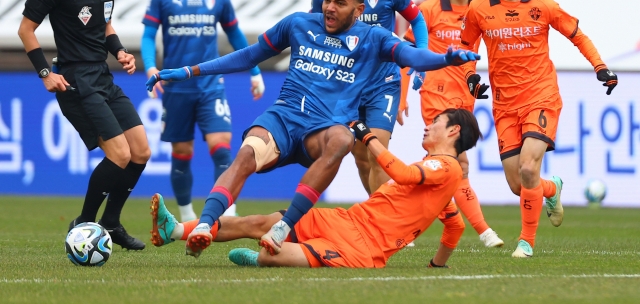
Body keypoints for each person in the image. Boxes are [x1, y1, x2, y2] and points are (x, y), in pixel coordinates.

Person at [145, 0, 480, 258]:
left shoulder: (374, 38)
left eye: (339, 3)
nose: (330, 8)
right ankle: (204, 223)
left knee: (343, 139)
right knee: (246, 153)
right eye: (327, 1)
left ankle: (284, 226)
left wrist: (443, 59)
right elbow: (249, 55)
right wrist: (189, 71)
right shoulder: (298, 24)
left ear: (359, 10)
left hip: (321, 129)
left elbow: (412, 56)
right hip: (284, 117)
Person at [150, 108, 481, 268]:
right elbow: (454, 224)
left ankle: (260, 260)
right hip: (346, 221)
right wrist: (437, 265)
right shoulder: (439, 180)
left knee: (270, 254)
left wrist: (367, 137)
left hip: (362, 249)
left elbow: (405, 174)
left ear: (452, 131)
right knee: (260, 222)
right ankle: (174, 229)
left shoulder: (445, 166)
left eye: (436, 121)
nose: (429, 124)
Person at [459, 0, 618, 258]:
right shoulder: (479, 8)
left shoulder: (543, 5)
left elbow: (577, 35)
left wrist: (600, 67)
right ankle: (551, 188)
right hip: (504, 105)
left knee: (530, 167)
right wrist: (471, 76)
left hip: (540, 96)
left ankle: (526, 242)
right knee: (519, 185)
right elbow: (466, 49)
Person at [17, 0, 151, 250]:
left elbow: (104, 24)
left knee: (141, 151)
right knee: (119, 154)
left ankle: (111, 223)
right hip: (76, 80)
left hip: (103, 75)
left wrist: (119, 51)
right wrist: (46, 73)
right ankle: (84, 225)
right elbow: (26, 29)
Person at [141, 0, 265, 221]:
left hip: (211, 86)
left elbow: (234, 33)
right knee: (182, 153)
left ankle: (228, 214)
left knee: (222, 148)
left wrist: (255, 71)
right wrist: (150, 66)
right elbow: (148, 35)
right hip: (177, 89)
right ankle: (186, 216)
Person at [310, 0, 430, 195]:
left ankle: (385, 226)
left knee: (379, 154)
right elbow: (312, 34)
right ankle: (378, 215)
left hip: (382, 84)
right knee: (361, 158)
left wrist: (420, 56)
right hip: (345, 87)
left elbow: (418, 20)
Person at [399, 0, 503, 248]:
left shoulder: (482, 10)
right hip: (436, 95)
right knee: (458, 163)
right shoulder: (429, 10)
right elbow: (406, 56)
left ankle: (404, 222)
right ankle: (484, 231)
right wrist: (404, 95)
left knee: (442, 170)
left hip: (464, 99)